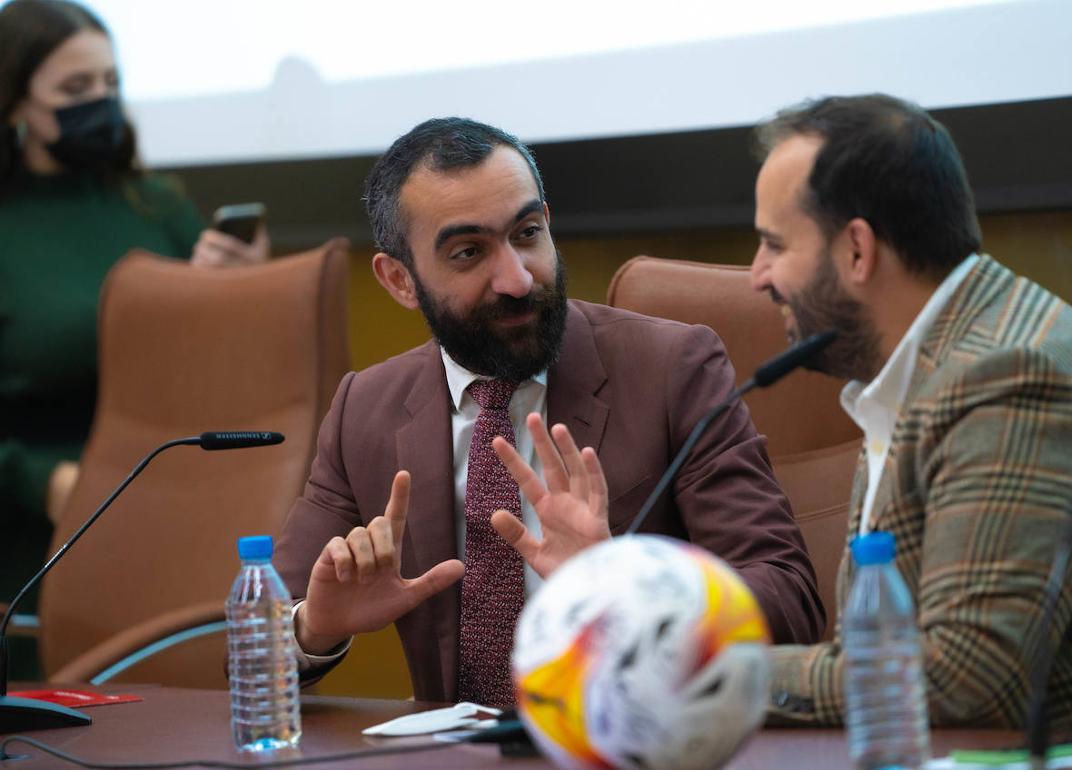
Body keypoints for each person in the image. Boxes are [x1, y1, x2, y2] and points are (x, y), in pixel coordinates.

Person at [272, 117, 824, 705]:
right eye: (468, 252)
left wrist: (624, 589)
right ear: (400, 280)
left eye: (527, 233)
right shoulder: (367, 408)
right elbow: (251, 644)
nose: (516, 278)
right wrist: (314, 628)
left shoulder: (672, 369)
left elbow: (790, 602)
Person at [748, 94, 1072, 740]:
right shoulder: (923, 365)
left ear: (857, 252)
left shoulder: (1007, 373)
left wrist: (725, 677)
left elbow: (966, 678)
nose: (756, 275)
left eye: (771, 244)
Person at [0, 0, 269, 644]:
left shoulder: (153, 203)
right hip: (36, 524)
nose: (101, 101)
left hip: (167, 503)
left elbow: (217, 348)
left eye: (110, 84)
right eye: (74, 88)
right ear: (15, 105)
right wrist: (40, 482)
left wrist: (246, 281)